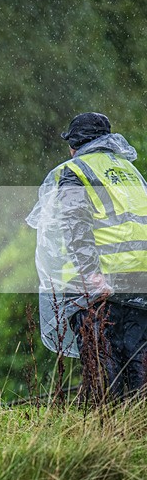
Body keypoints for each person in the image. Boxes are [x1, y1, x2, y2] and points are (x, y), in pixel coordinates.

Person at [28, 112, 147, 399]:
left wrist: (91, 275)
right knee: (138, 367)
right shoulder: (131, 172)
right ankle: (134, 432)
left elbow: (75, 225)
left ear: (74, 144)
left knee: (104, 369)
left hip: (100, 284)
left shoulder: (75, 171)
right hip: (140, 281)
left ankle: (103, 433)